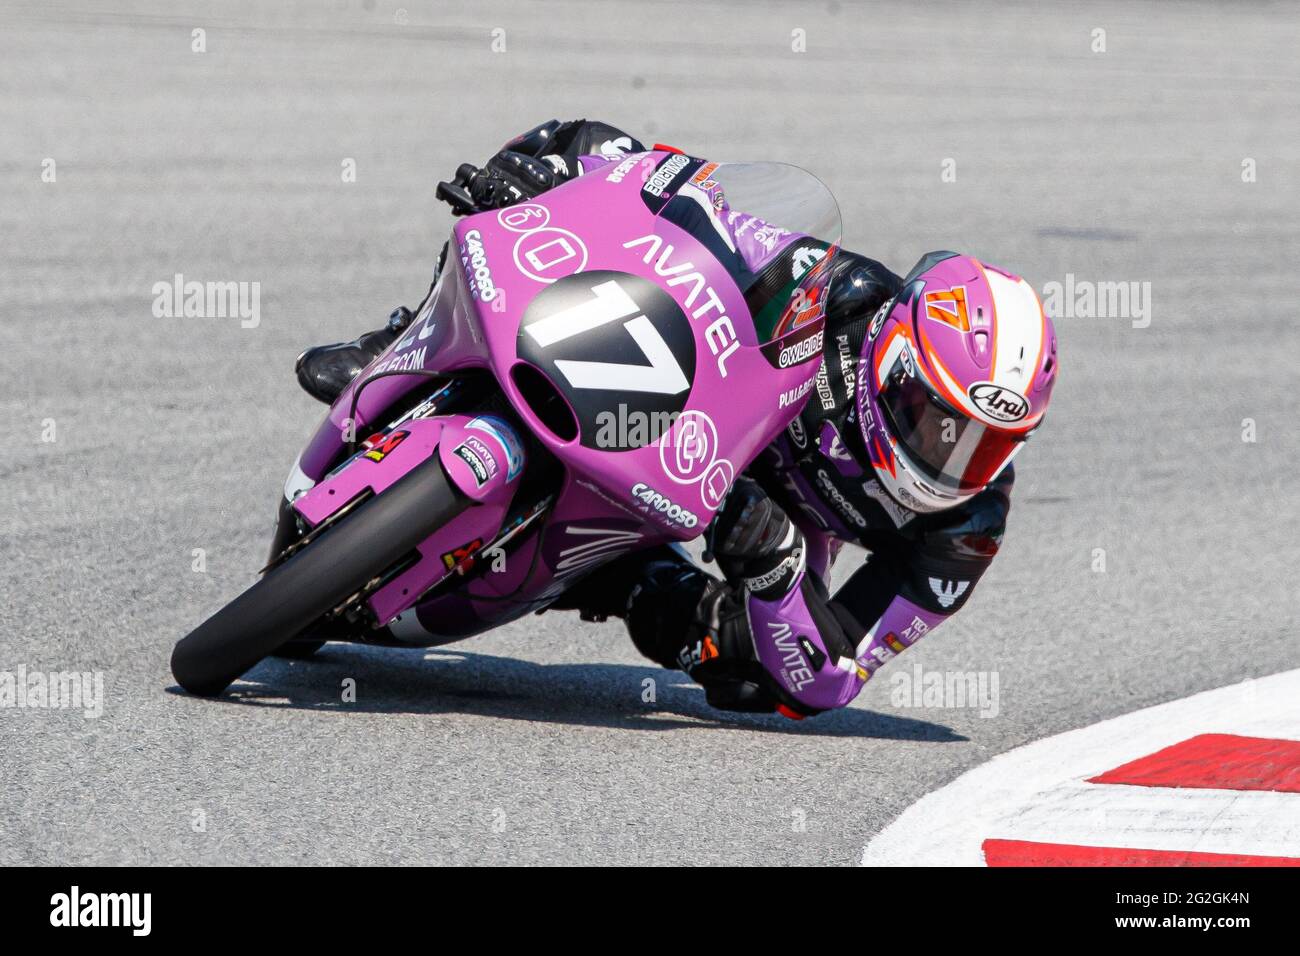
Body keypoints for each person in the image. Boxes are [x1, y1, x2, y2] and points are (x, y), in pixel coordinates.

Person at [295, 119, 1059, 719]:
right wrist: (552, 190)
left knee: (755, 683)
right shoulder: (843, 295)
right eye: (936, 418)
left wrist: (778, 574)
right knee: (588, 144)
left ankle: (627, 575)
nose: (951, 458)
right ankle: (404, 339)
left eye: (985, 445)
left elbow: (830, 678)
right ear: (894, 358)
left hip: (759, 522)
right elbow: (691, 208)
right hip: (697, 408)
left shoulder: (964, 528)